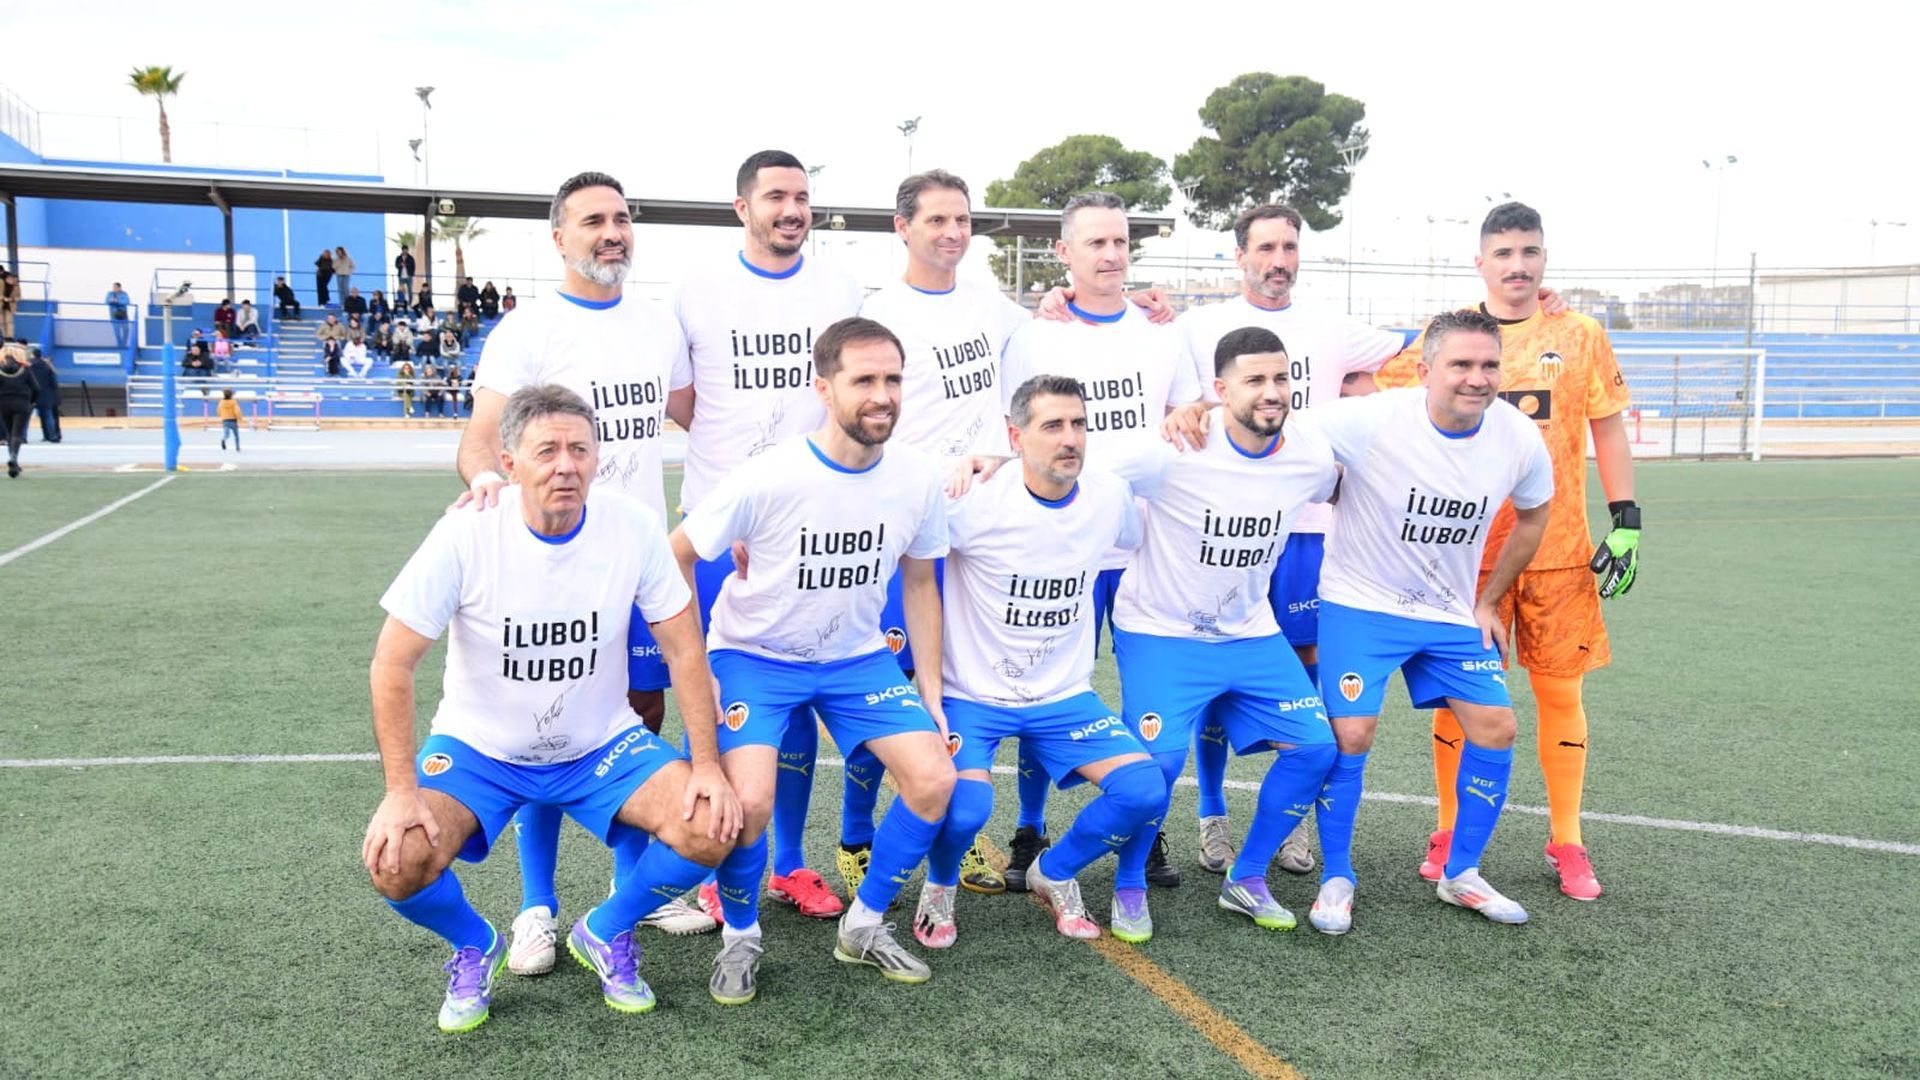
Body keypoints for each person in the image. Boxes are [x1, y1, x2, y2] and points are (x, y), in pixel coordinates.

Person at [362, 384, 742, 1032]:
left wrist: (705, 763)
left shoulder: (633, 527)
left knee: (713, 823)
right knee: (397, 861)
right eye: (547, 451)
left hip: (600, 745)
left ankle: (606, 929)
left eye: (579, 450)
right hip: (483, 751)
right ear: (509, 462)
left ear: (597, 459)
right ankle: (476, 944)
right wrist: (401, 792)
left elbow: (685, 650)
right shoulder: (466, 533)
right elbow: (391, 663)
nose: (566, 465)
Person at [462, 171, 709, 963]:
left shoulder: (658, 324)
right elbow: (478, 438)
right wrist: (488, 484)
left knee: (637, 723)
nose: (613, 232)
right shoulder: (527, 331)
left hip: (636, 563)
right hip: (550, 560)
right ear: (559, 238)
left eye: (623, 219)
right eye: (593, 220)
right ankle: (536, 908)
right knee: (548, 727)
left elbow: (706, 414)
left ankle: (626, 893)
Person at [670, 315, 954, 1004]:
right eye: (864, 380)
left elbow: (920, 582)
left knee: (934, 780)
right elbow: (674, 557)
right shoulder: (768, 476)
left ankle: (863, 926)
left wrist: (935, 695)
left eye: (892, 379)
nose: (882, 395)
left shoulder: (918, 476)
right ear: (822, 387)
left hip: (856, 660)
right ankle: (741, 936)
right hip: (755, 657)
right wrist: (699, 662)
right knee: (751, 801)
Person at [1372, 203, 1637, 901]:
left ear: (1543, 258)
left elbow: (1606, 428)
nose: (1518, 266)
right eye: (1504, 254)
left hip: (1557, 550)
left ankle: (1568, 840)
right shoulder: (1446, 335)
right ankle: (1451, 832)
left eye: (1530, 252)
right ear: (1481, 262)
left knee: (1559, 693)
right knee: (1458, 701)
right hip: (1466, 557)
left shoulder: (1578, 334)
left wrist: (1627, 518)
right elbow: (1372, 386)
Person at [1304, 308, 1553, 931]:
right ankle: (1337, 875)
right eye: (1461, 365)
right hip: (1360, 604)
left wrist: (1488, 600)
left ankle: (1461, 873)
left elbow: (1534, 518)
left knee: (1497, 727)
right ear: (1425, 371)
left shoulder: (1518, 436)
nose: (1477, 378)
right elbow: (1276, 431)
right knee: (1352, 735)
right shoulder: (1369, 419)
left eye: (1489, 365)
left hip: (1447, 612)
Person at [1093, 327, 1343, 941]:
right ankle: (1129, 885)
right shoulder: (1171, 449)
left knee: (1316, 747)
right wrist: (990, 464)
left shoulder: (1308, 456)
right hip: (1159, 629)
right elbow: (1074, 464)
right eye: (1255, 380)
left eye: (1281, 379)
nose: (1272, 392)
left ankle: (1247, 875)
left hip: (1250, 633)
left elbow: (1353, 480)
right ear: (1220, 389)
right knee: (1156, 763)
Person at [671, 149, 865, 922]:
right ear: (741, 208)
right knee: (721, 711)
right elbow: (685, 402)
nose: (792, 209)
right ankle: (716, 862)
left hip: (812, 539)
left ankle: (787, 862)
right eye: (776, 196)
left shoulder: (839, 287)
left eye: (802, 197)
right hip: (723, 536)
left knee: (799, 710)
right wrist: (745, 493)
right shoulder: (697, 292)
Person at [913, 374, 1164, 949]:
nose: (1070, 438)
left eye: (1079, 424)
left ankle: (1052, 871)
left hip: (1063, 696)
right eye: (1052, 426)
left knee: (1145, 790)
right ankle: (941, 885)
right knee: (966, 809)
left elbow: (1138, 529)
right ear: (1015, 435)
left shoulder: (1108, 495)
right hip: (973, 693)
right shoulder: (969, 501)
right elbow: (906, 548)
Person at [996, 190, 1201, 891]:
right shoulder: (1035, 335)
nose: (1112, 254)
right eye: (1096, 243)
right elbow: (1015, 430)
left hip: (1147, 545)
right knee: (1043, 686)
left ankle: (1144, 828)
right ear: (1064, 254)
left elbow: (1188, 415)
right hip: (1058, 542)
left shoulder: (1163, 330)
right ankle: (1030, 825)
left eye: (1120, 241)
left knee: (1148, 694)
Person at [836, 168, 1032, 900]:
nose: (953, 233)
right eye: (937, 221)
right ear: (903, 227)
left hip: (977, 535)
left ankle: (959, 824)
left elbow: (1043, 359)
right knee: (883, 689)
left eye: (963, 220)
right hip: (897, 529)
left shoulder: (995, 309)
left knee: (953, 687)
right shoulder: (877, 311)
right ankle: (856, 837)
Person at [1, 340, 37, 476]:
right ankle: (14, 458)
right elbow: (36, 388)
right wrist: (32, 401)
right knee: (17, 433)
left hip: (3, 403)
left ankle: (13, 464)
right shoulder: (25, 370)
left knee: (9, 432)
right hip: (22, 403)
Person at [29, 350, 60, 443]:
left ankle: (23, 437)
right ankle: (52, 436)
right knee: (48, 416)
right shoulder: (47, 367)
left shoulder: (28, 366)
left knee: (25, 418)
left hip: (32, 394)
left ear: (32, 355)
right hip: (46, 395)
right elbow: (54, 383)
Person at [107, 283, 134, 348]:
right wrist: (111, 301)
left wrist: (118, 301)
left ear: (119, 288)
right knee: (116, 331)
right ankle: (119, 345)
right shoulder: (110, 294)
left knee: (126, 329)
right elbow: (106, 301)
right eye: (113, 287)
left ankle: (124, 344)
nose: (114, 289)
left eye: (116, 287)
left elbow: (127, 301)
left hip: (123, 314)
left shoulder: (124, 294)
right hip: (114, 315)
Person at [0, 270, 19, 339]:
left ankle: (10, 337)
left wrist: (12, 299)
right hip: (1, 305)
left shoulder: (16, 286)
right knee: (1, 322)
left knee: (9, 322)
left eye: (11, 278)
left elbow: (18, 296)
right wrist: (2, 298)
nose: (10, 280)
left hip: (10, 306)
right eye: (8, 278)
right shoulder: (1, 284)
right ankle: (5, 336)